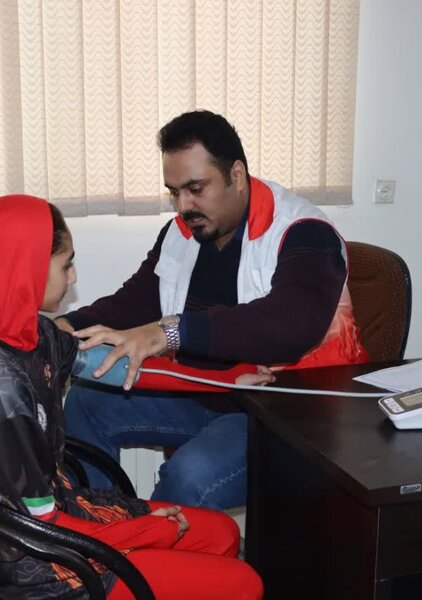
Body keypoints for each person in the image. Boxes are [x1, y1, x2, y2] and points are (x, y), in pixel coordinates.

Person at [0, 194, 264, 599]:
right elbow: (46, 527)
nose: (73, 278)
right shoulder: (3, 399)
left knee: (223, 533)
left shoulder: (14, 333)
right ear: (27, 268)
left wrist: (227, 380)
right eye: (66, 264)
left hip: (61, 518)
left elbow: (119, 366)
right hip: (52, 568)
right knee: (245, 584)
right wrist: (145, 531)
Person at [58, 110, 368, 509]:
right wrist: (66, 326)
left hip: (284, 412)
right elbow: (136, 300)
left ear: (236, 175)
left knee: (188, 476)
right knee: (85, 402)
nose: (183, 205)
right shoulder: (183, 231)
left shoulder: (305, 231)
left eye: (195, 189)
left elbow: (292, 324)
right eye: (174, 192)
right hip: (207, 393)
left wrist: (171, 331)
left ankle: (151, 546)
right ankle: (104, 532)